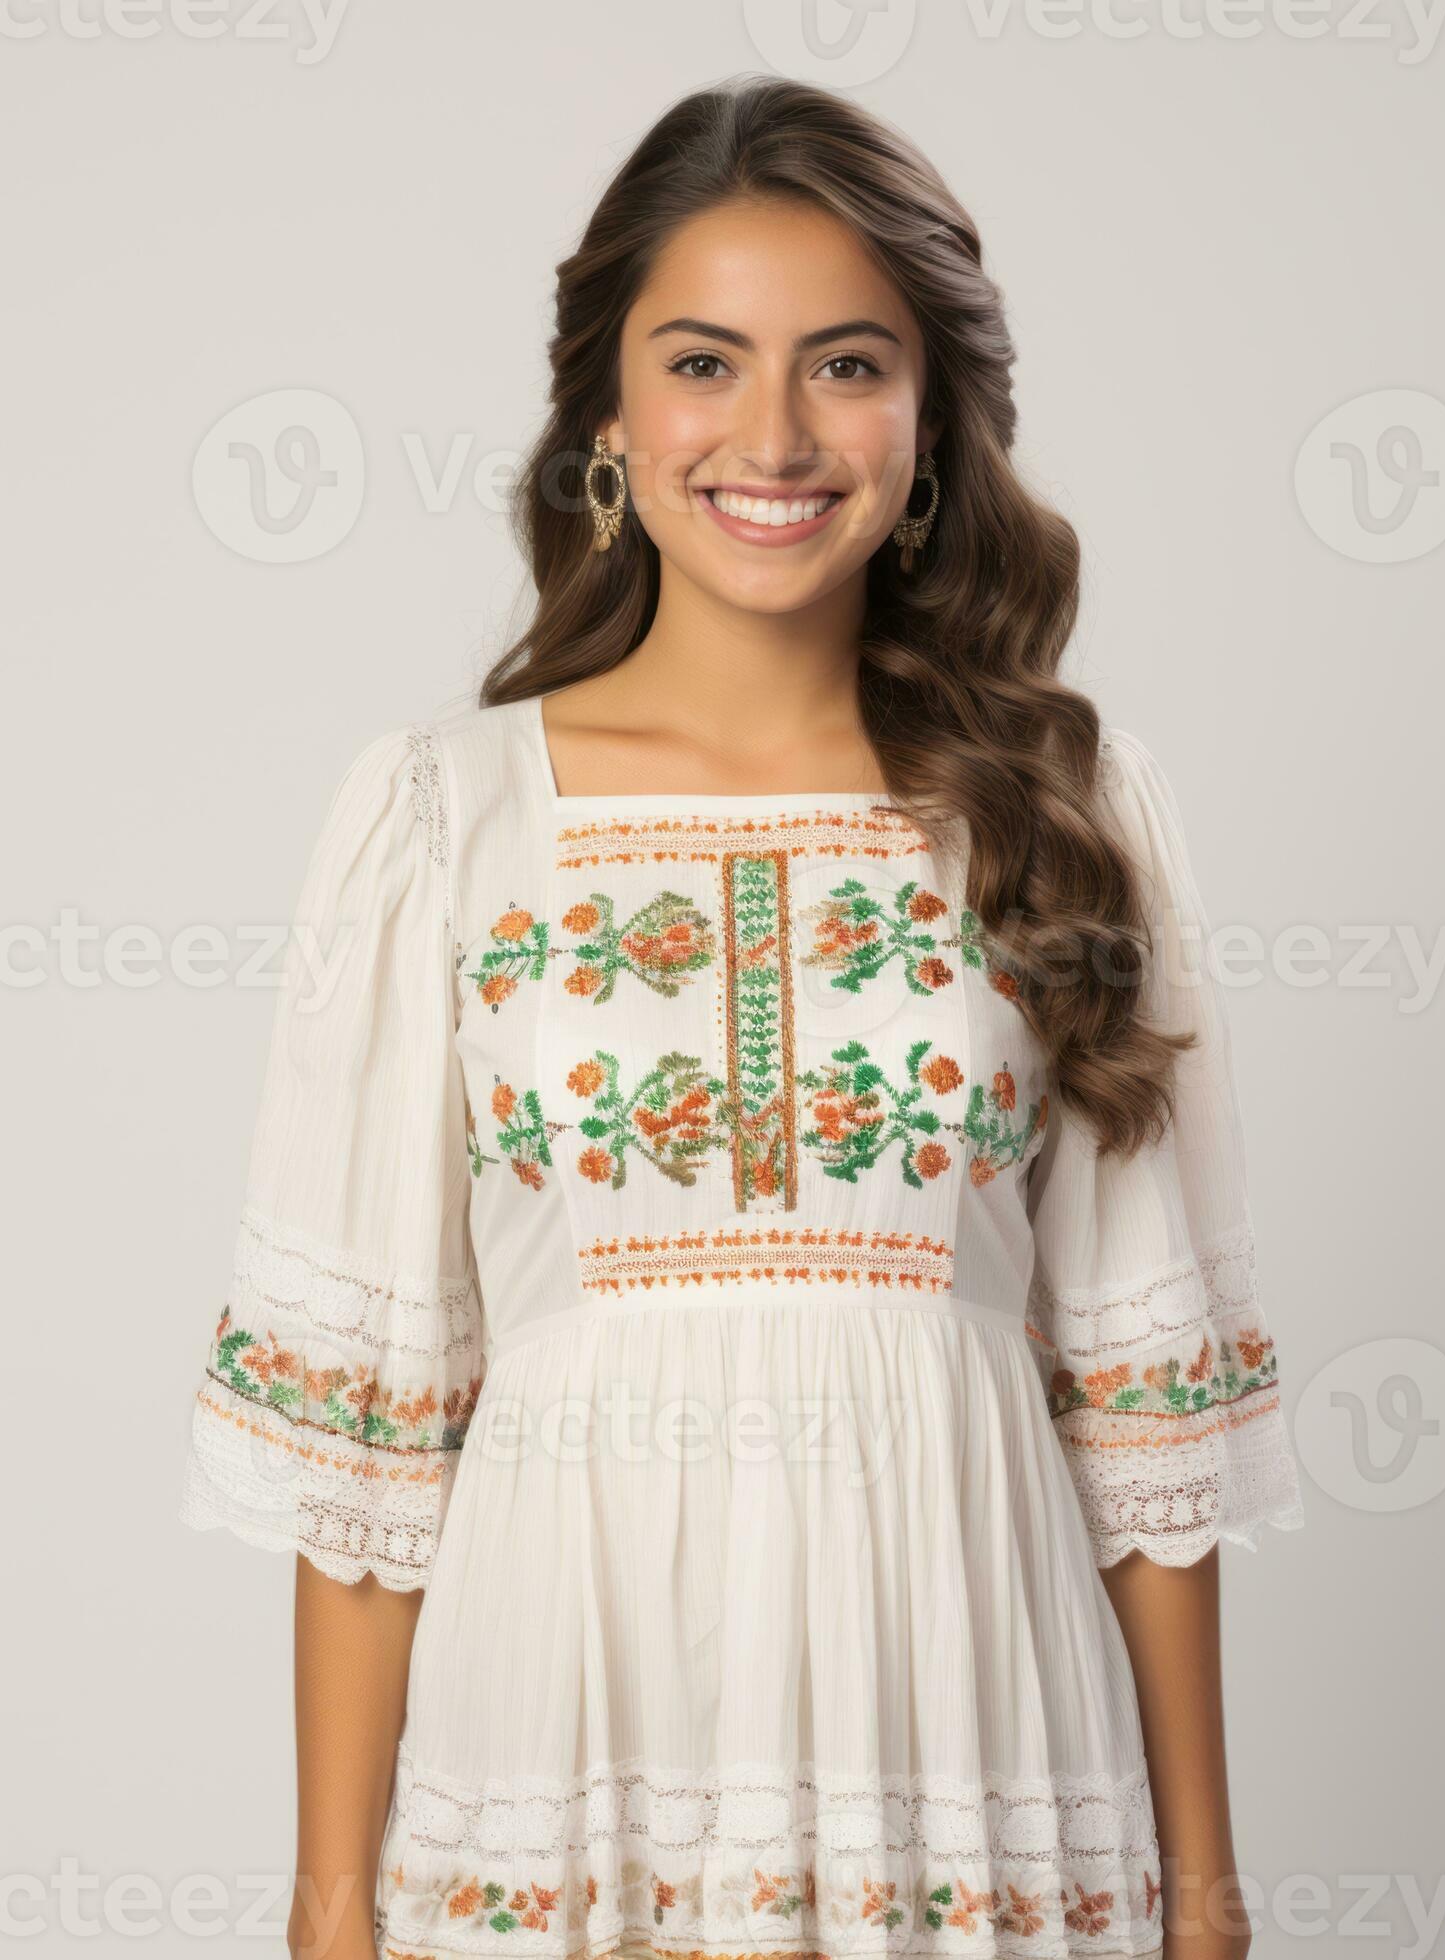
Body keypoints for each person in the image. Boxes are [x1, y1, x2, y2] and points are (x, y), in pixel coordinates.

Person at [179, 74, 1305, 1960]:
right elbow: (372, 1460)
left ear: (930, 424)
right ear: (607, 417)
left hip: (971, 1753)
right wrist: (328, 1919)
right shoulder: (443, 818)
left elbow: (1142, 1426)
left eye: (847, 365)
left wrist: (1207, 1902)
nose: (773, 435)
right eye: (703, 362)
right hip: (564, 1750)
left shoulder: (1063, 810)